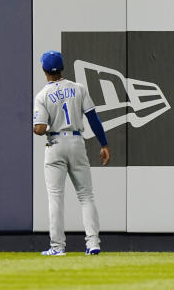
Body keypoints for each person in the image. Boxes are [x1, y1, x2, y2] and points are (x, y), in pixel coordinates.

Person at [32, 50, 110, 257]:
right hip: (76, 141)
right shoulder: (79, 88)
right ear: (63, 68)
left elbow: (39, 128)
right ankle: (93, 243)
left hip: (55, 143)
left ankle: (58, 247)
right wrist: (104, 144)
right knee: (86, 196)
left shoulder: (42, 95)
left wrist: (44, 127)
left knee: (55, 198)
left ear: (44, 69)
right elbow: (93, 118)